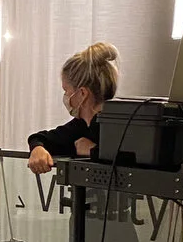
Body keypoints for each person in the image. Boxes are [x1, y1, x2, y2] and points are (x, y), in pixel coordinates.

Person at [26, 42, 120, 176]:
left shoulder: (118, 126)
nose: (65, 96)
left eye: (66, 90)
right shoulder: (81, 125)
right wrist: (38, 148)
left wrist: (91, 151)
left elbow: (128, 158)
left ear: (82, 93)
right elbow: (40, 138)